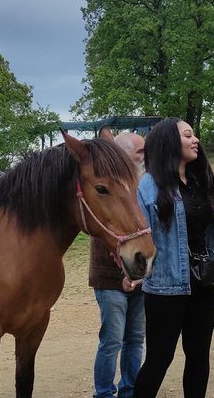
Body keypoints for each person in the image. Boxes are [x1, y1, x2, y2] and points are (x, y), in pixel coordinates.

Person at [133, 117, 214, 398]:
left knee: (199, 357)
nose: (196, 140)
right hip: (166, 289)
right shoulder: (148, 185)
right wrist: (134, 273)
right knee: (158, 361)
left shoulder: (200, 183)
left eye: (194, 135)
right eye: (188, 135)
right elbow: (139, 235)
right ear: (169, 142)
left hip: (204, 285)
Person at [89, 131, 147, 398]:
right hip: (110, 276)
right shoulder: (110, 186)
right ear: (122, 154)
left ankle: (129, 392)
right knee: (111, 342)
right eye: (140, 152)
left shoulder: (140, 184)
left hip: (138, 274)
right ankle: (103, 394)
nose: (145, 156)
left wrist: (140, 272)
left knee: (135, 340)